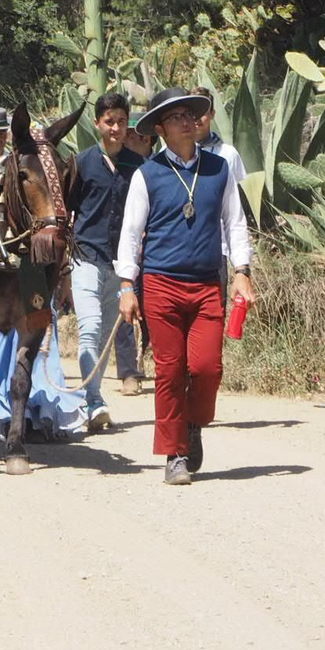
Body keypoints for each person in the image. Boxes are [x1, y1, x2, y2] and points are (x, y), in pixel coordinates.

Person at [117, 88, 254, 485]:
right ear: (160, 129)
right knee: (170, 371)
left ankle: (193, 423)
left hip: (208, 282)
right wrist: (127, 285)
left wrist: (242, 270)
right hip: (160, 283)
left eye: (191, 115)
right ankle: (175, 453)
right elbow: (130, 233)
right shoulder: (148, 174)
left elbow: (235, 222)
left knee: (206, 367)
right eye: (176, 117)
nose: (188, 121)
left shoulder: (219, 169)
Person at [68, 92, 147, 428]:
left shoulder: (139, 167)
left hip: (120, 264)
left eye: (121, 121)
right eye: (109, 121)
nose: (115, 127)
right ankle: (95, 401)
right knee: (90, 328)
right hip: (85, 256)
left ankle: (90, 401)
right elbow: (67, 212)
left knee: (103, 338)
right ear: (97, 123)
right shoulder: (81, 163)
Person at [190, 85, 247, 182]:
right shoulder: (172, 152)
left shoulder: (228, 154)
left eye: (202, 112)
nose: (197, 117)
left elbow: (238, 193)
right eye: (192, 112)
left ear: (212, 114)